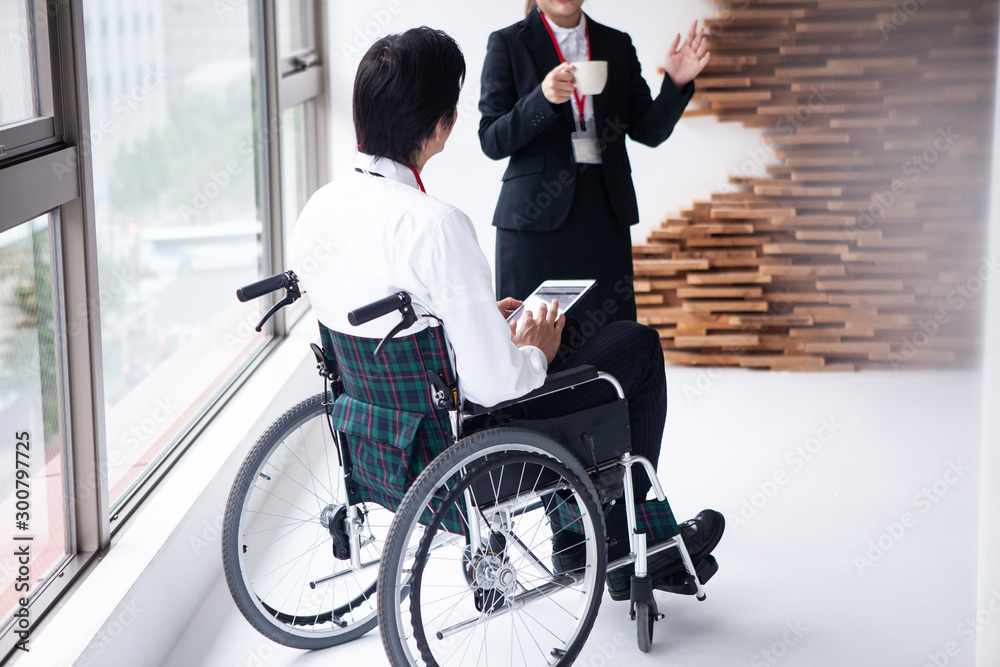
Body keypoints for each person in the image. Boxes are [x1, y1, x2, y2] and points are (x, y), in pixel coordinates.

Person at [289, 27, 722, 599]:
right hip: (462, 444)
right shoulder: (436, 224)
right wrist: (533, 354)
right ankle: (624, 545)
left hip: (376, 436)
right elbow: (496, 384)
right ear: (442, 126)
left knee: (565, 340)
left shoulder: (321, 206)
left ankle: (587, 536)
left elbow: (387, 319)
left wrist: (476, 323)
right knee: (634, 347)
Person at [480, 0, 710, 334]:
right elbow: (492, 140)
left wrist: (675, 84)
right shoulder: (507, 42)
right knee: (530, 343)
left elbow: (649, 130)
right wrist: (541, 98)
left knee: (613, 343)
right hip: (534, 221)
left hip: (605, 214)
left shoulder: (616, 43)